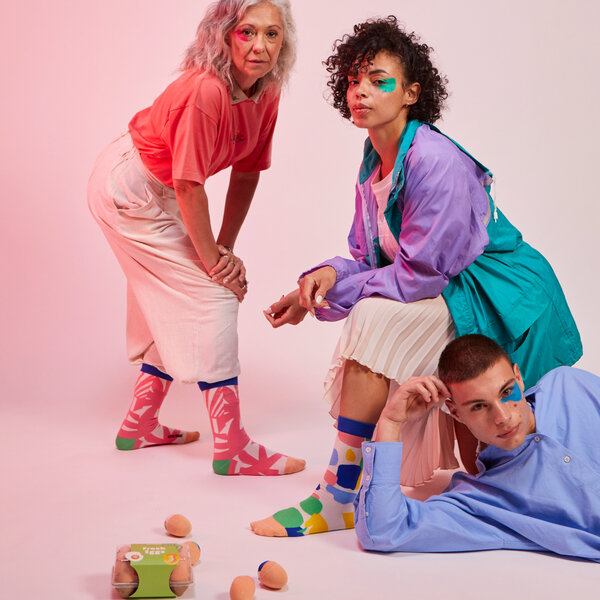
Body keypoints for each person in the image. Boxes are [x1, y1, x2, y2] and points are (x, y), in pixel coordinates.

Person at [251, 17, 581, 535]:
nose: (361, 91)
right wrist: (318, 282)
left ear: (411, 93)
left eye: (378, 80)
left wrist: (343, 292)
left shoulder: (435, 160)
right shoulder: (375, 162)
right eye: (353, 81)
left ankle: (339, 494)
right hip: (456, 291)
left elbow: (419, 275)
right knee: (375, 319)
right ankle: (343, 493)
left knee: (375, 320)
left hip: (500, 296)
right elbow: (371, 258)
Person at [87, 0, 305, 477]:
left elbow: (247, 172)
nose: (260, 46)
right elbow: (190, 184)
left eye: (272, 34)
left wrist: (224, 249)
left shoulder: (266, 92)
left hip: (167, 190)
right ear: (224, 35)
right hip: (130, 189)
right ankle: (233, 448)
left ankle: (139, 424)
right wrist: (216, 266)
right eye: (247, 32)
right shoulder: (206, 91)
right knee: (213, 296)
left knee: (175, 300)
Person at [354, 334, 600, 562]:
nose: (503, 417)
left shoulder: (569, 385)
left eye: (507, 391)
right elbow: (384, 530)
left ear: (519, 378)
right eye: (479, 406)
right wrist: (391, 422)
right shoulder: (483, 500)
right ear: (455, 412)